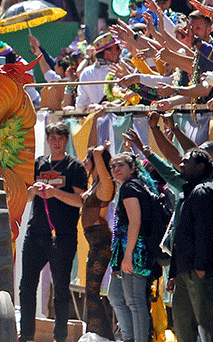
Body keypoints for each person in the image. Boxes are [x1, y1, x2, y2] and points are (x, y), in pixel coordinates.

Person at [18, 122, 87, 342]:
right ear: (47, 140)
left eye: (60, 138)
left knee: (61, 288)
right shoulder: (38, 164)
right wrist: (33, 191)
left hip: (62, 236)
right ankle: (26, 334)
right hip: (36, 233)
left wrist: (56, 193)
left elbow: (80, 201)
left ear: (66, 140)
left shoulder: (74, 166)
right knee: (26, 286)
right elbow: (26, 198)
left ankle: (60, 336)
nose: (56, 142)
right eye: (52, 138)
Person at [168, 148, 213, 342]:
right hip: (185, 271)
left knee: (210, 324)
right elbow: (181, 235)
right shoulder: (190, 192)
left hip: (203, 271)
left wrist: (201, 267)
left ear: (201, 166)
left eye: (186, 162)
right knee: (183, 324)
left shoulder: (205, 191)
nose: (181, 165)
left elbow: (206, 232)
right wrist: (173, 273)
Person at [108, 152, 156, 342]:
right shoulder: (133, 186)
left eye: (120, 165)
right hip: (129, 250)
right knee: (120, 297)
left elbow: (135, 223)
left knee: (135, 302)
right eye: (113, 167)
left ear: (132, 168)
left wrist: (128, 256)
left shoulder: (129, 188)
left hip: (135, 251)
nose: (115, 170)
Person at [79, 145, 114, 339]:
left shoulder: (105, 185)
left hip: (100, 242)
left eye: (87, 158)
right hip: (94, 241)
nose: (84, 161)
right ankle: (97, 334)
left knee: (92, 291)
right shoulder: (95, 183)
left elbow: (98, 157)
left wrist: (98, 153)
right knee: (90, 291)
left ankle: (100, 335)